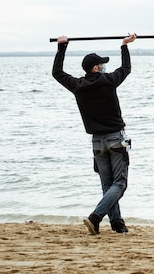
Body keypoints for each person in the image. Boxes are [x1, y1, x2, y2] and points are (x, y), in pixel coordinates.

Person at [52, 33, 137, 235]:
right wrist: (124, 46)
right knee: (120, 184)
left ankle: (117, 223)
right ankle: (95, 217)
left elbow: (57, 73)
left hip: (97, 142)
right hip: (116, 138)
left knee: (108, 185)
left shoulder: (78, 86)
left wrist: (62, 48)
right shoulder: (108, 81)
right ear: (96, 68)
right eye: (101, 64)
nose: (104, 67)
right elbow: (126, 69)